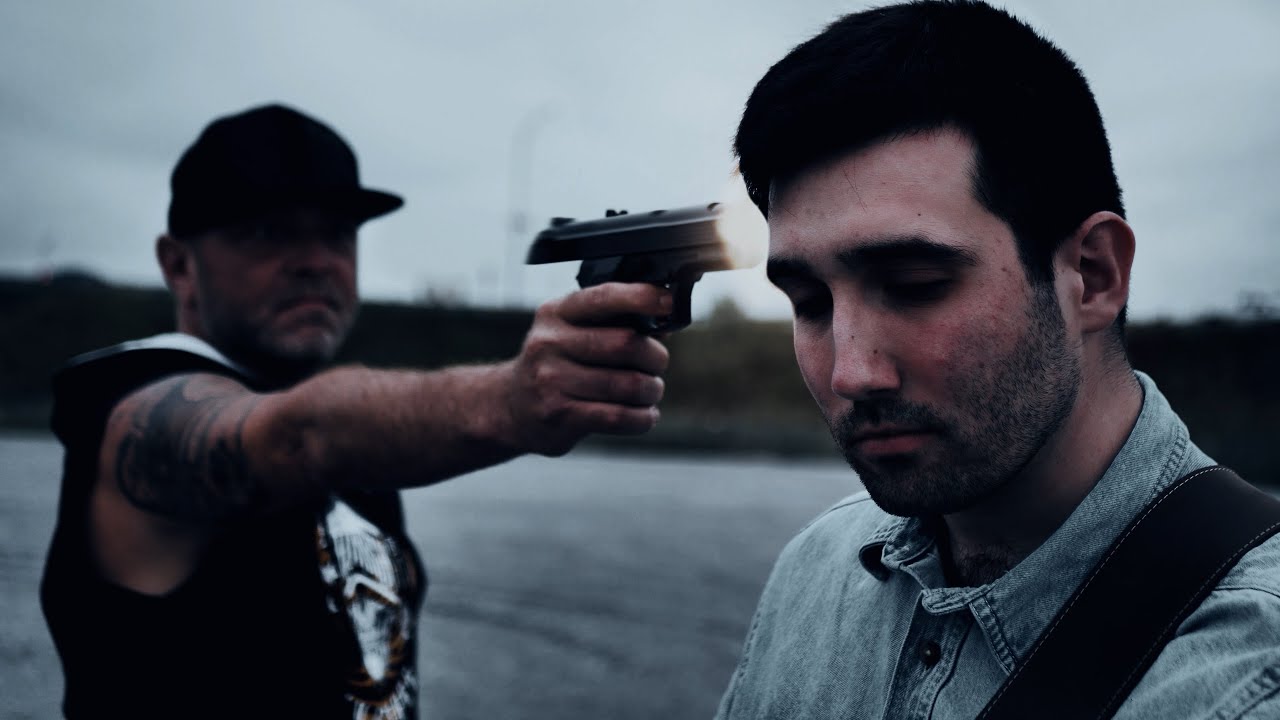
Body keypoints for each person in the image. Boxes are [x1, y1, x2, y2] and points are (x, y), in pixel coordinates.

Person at [715, 2, 1280, 718]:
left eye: (915, 286)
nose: (850, 374)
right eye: (809, 302)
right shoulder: (818, 566)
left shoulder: (1246, 675)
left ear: (1092, 276)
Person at [40, 104, 672, 719]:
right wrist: (509, 401)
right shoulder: (131, 399)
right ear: (178, 264)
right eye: (268, 233)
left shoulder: (358, 442)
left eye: (338, 234)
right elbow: (298, 437)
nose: (316, 261)